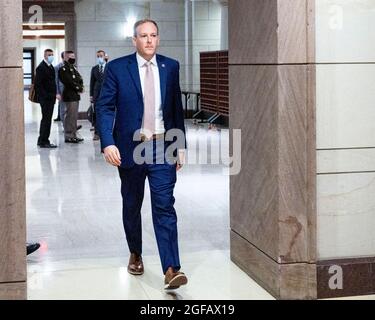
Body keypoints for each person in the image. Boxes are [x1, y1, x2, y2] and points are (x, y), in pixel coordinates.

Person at [96, 19, 188, 290]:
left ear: (158, 39)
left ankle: (172, 269)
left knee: (164, 205)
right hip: (130, 148)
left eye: (153, 35)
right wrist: (108, 142)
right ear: (134, 40)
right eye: (143, 36)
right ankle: (135, 251)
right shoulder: (117, 68)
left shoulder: (170, 67)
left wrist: (179, 146)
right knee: (132, 203)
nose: (149, 40)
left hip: (162, 146)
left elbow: (175, 109)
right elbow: (105, 108)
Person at [58, 51, 84, 143]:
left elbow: (79, 79)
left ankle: (73, 134)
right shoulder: (63, 69)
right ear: (65, 58)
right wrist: (78, 88)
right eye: (70, 57)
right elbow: (69, 81)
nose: (73, 58)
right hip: (69, 95)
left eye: (74, 56)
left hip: (75, 95)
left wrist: (80, 87)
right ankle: (68, 135)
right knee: (69, 116)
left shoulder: (73, 68)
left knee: (74, 116)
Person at [34, 49, 57, 148]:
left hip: (51, 98)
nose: (51, 56)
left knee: (47, 119)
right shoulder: (41, 67)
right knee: (46, 120)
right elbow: (38, 85)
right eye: (49, 55)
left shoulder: (50, 67)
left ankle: (41, 139)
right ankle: (44, 141)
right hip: (46, 99)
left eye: (52, 54)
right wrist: (45, 96)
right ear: (45, 56)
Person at [90, 50, 108, 141]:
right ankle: (96, 133)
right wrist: (91, 95)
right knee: (97, 114)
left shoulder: (109, 67)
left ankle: (106, 133)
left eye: (101, 56)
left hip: (107, 94)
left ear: (105, 56)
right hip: (97, 94)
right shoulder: (94, 68)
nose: (99, 58)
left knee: (106, 114)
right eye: (98, 56)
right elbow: (92, 82)